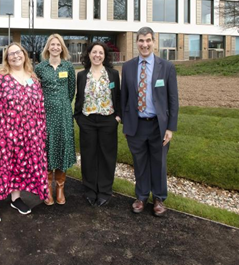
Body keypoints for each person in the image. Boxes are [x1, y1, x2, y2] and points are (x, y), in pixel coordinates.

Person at [0, 43, 49, 223]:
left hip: (28, 133)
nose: (15, 56)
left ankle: (15, 198)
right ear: (6, 59)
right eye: (11, 54)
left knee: (20, 164)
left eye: (18, 52)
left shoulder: (33, 79)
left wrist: (41, 132)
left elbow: (40, 108)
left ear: (24, 55)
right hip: (2, 131)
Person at [121, 27, 179, 217]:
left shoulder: (166, 67)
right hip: (136, 124)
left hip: (158, 126)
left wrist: (170, 127)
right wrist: (124, 121)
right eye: (141, 41)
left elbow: (173, 99)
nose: (144, 44)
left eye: (148, 40)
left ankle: (159, 198)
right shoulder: (128, 67)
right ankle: (141, 196)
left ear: (154, 41)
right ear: (136, 42)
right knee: (139, 162)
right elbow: (124, 97)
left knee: (159, 162)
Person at [74, 41, 121, 207]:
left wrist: (117, 117)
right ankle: (90, 190)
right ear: (89, 54)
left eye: (101, 53)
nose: (97, 55)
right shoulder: (81, 75)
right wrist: (79, 118)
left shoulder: (113, 74)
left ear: (105, 56)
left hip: (108, 120)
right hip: (87, 121)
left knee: (107, 157)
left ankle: (105, 191)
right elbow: (79, 99)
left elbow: (118, 97)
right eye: (94, 52)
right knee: (89, 156)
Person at [34, 33, 76, 205]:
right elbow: (36, 90)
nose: (55, 47)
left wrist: (63, 104)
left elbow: (71, 90)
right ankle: (47, 189)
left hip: (64, 114)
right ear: (48, 48)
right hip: (45, 114)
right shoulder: (40, 68)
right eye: (52, 44)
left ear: (62, 48)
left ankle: (60, 187)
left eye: (58, 45)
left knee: (62, 146)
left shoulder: (68, 67)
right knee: (48, 148)